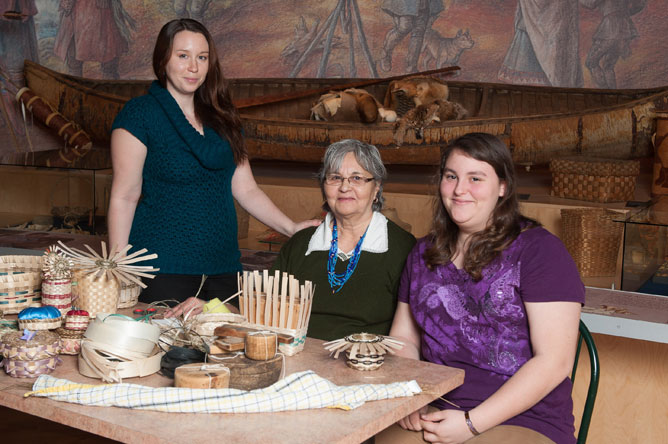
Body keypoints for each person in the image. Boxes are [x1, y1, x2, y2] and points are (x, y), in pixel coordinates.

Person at [376, 133, 584, 444]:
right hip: (434, 407)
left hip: (522, 417)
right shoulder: (422, 253)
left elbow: (554, 362)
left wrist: (471, 424)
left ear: (503, 187)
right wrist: (410, 394)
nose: (460, 189)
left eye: (476, 178)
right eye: (451, 176)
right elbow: (403, 337)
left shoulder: (540, 250)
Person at [108, 18, 318, 305]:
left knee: (226, 349)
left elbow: (246, 189)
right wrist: (118, 268)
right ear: (163, 59)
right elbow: (125, 196)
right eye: (183, 56)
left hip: (224, 271)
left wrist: (291, 228)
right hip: (161, 272)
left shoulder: (223, 117)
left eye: (202, 57)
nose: (194, 67)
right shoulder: (140, 114)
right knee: (167, 349)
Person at [167, 139, 416, 342]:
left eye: (357, 178)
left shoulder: (402, 249)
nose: (344, 187)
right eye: (335, 177)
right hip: (294, 359)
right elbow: (260, 315)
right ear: (323, 186)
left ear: (376, 188)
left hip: (364, 367)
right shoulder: (302, 244)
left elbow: (409, 338)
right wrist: (211, 309)